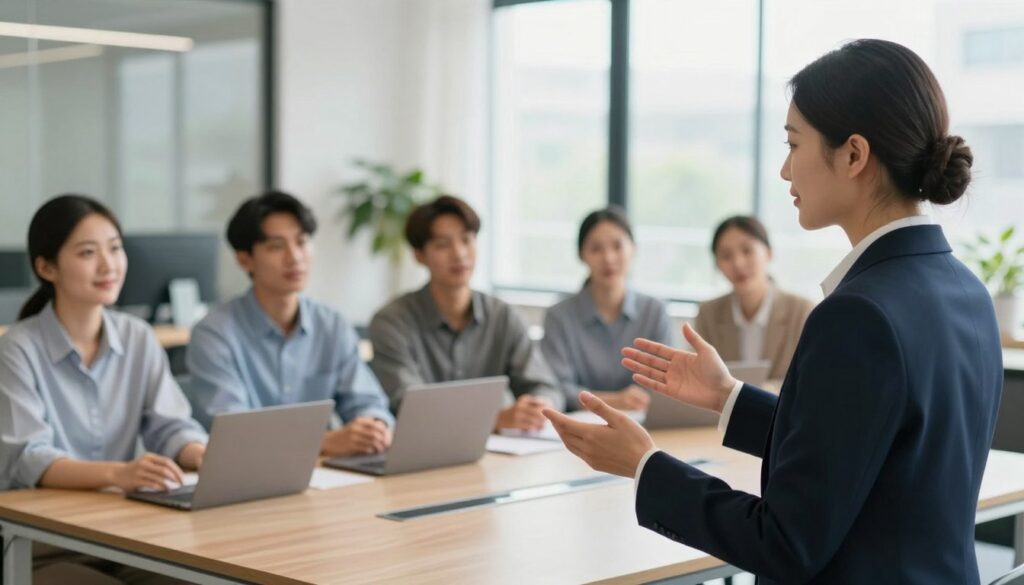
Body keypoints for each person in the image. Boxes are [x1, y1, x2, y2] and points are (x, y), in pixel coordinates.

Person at [544, 39, 1001, 585]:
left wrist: (644, 466)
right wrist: (727, 397)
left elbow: (784, 542)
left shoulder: (858, 316)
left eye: (793, 144)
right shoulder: (966, 290)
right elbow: (862, 449)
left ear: (854, 155)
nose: (785, 170)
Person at [0, 194, 207, 584]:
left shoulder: (138, 337)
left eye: (115, 249)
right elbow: (30, 458)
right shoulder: (17, 350)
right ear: (46, 267)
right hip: (40, 544)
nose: (108, 265)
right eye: (88, 253)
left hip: (126, 536)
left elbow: (169, 426)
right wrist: (121, 473)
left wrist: (200, 453)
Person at [186, 191, 394, 457]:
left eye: (302, 242)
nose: (295, 257)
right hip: (249, 480)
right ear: (244, 258)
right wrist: (326, 442)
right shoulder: (214, 333)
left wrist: (375, 427)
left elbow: (368, 402)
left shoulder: (332, 325)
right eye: (276, 246)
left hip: (325, 479)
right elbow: (234, 432)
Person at [369, 195, 564, 430]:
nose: (459, 254)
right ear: (419, 256)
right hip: (425, 452)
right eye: (442, 244)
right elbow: (408, 405)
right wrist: (493, 420)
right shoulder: (392, 322)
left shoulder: (503, 316)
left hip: (499, 453)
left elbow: (545, 386)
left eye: (467, 240)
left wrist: (538, 407)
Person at [542, 207, 671, 411]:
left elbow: (665, 381)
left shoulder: (654, 312)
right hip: (579, 427)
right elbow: (557, 388)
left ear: (633, 249)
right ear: (581, 255)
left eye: (617, 246)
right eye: (596, 249)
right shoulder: (559, 316)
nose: (608, 258)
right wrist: (614, 402)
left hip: (644, 424)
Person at [694, 216, 815, 383]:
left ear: (769, 253)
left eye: (747, 250)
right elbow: (701, 380)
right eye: (726, 256)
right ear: (717, 264)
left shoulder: (802, 311)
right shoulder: (708, 314)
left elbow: (809, 380)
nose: (738, 263)